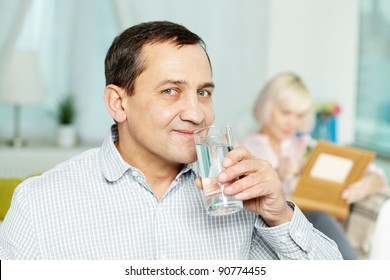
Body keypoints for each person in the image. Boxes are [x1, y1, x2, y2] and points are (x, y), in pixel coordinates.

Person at [0, 21, 342, 260]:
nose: (196, 113)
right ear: (119, 103)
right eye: (170, 91)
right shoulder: (40, 205)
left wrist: (280, 214)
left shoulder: (239, 196)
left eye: (204, 92)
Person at [238, 72, 388, 259]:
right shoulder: (244, 147)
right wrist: (277, 174)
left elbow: (375, 173)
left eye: (299, 115)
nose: (291, 123)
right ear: (267, 107)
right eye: (285, 112)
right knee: (320, 218)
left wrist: (368, 183)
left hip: (306, 226)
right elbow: (241, 200)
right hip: (274, 227)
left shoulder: (304, 145)